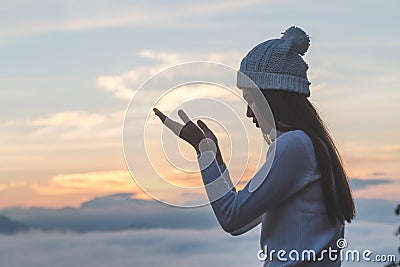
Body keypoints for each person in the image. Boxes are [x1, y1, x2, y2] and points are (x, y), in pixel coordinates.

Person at [153, 26, 355, 266]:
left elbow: (232, 218)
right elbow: (242, 219)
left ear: (271, 96)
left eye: (250, 99)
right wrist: (213, 155)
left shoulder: (294, 145)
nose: (249, 112)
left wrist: (204, 151)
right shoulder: (310, 144)